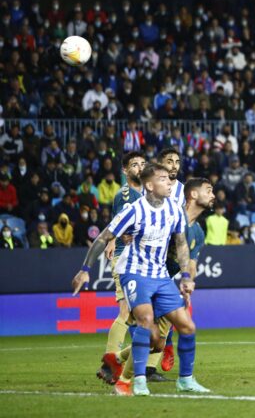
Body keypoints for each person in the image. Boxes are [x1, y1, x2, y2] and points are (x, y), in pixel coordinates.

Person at [71, 163, 209, 396]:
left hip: (161, 275)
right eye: (163, 179)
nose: (169, 182)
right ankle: (137, 382)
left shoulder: (174, 210)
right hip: (134, 272)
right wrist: (85, 269)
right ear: (149, 185)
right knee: (146, 320)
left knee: (185, 328)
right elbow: (104, 237)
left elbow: (182, 243)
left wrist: (186, 276)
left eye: (168, 179)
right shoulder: (134, 210)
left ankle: (185, 380)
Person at [105, 177, 215, 394]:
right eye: (209, 190)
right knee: (141, 325)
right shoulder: (168, 213)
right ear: (193, 194)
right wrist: (120, 238)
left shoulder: (199, 232)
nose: (214, 195)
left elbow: (190, 261)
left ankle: (117, 359)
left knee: (157, 342)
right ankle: (128, 380)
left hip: (165, 281)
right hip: (139, 276)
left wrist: (187, 280)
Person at [97, 151, 155, 383]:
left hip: (142, 258)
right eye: (134, 164)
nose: (139, 167)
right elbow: (118, 225)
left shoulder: (148, 194)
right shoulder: (125, 194)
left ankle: (134, 366)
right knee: (125, 312)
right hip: (124, 256)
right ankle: (109, 365)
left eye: (143, 163)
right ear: (125, 170)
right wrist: (117, 238)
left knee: (143, 315)